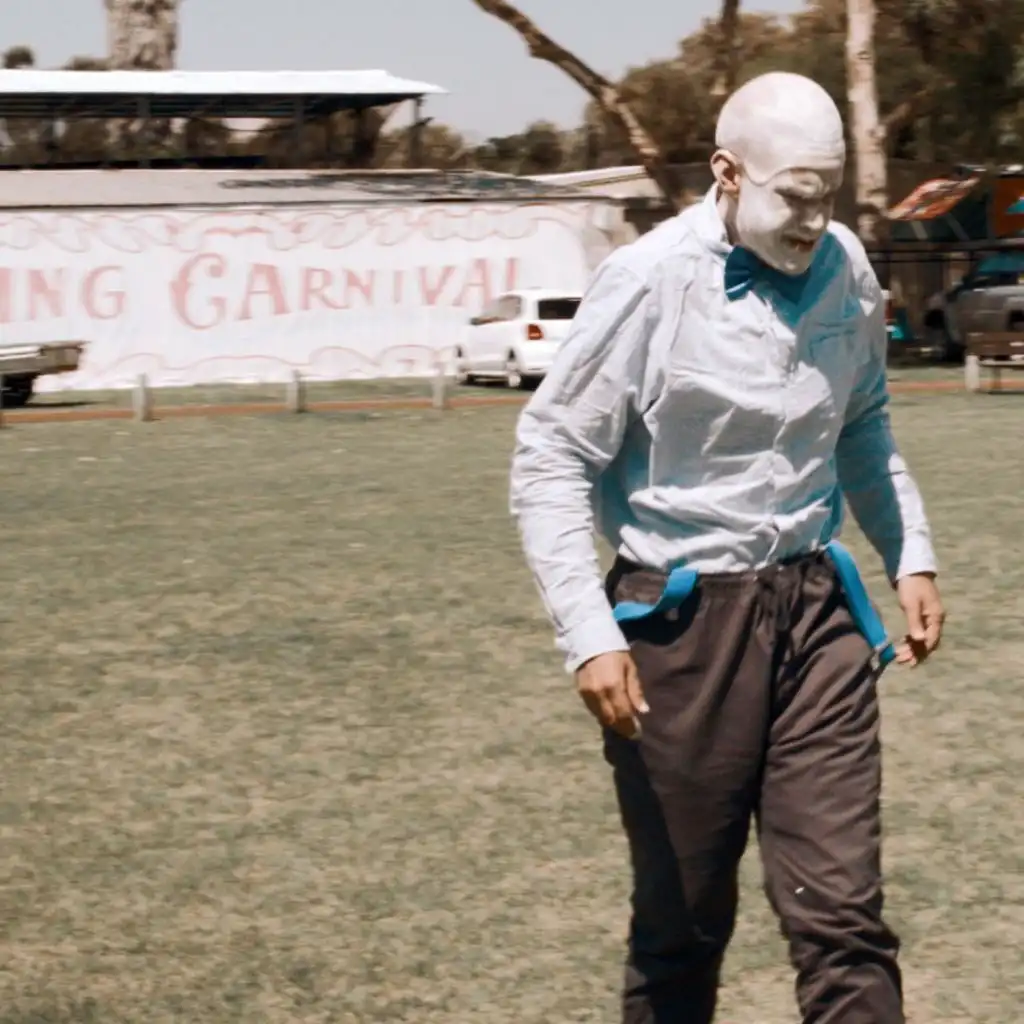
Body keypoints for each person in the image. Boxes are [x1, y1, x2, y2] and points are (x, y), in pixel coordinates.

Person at [508, 71, 945, 1024]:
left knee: (844, 918)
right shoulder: (648, 281)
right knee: (683, 925)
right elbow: (552, 457)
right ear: (727, 172)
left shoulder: (846, 268)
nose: (814, 220)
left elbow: (862, 420)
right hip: (680, 629)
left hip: (816, 619)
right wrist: (589, 633)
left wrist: (908, 549)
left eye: (828, 196)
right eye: (794, 195)